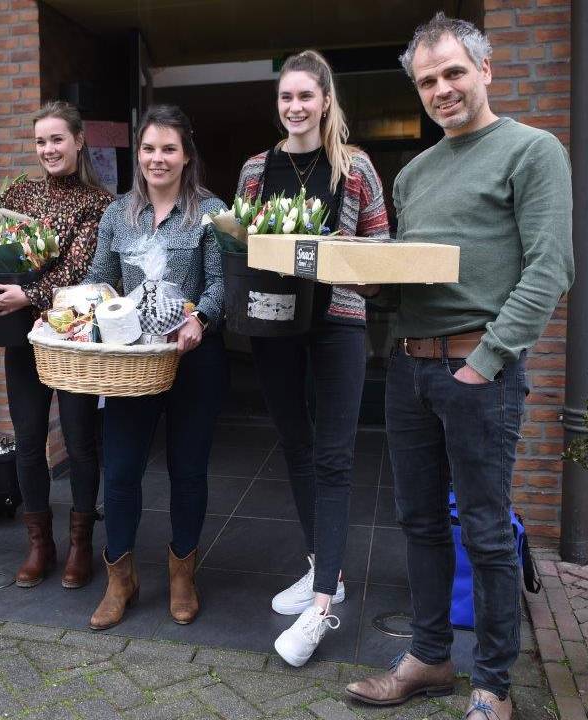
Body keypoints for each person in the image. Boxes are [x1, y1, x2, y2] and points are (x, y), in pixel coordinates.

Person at [344, 14, 573, 720]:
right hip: (408, 370)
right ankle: (431, 657)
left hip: (478, 371)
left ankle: (494, 686)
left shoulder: (531, 152)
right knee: (417, 522)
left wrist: (488, 359)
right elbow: (409, 276)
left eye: (452, 73)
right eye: (427, 81)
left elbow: (550, 268)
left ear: (485, 70)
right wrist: (357, 276)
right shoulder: (413, 172)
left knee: (483, 527)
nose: (441, 89)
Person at [234, 49, 390, 667]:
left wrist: (340, 248)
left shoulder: (354, 168)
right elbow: (241, 243)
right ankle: (322, 566)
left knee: (333, 456)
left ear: (326, 100)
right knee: (295, 447)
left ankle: (324, 604)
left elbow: (380, 248)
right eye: (285, 97)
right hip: (274, 324)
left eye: (305, 96)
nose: (295, 107)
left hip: (337, 323)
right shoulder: (254, 168)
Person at [0, 101, 113, 589]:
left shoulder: (97, 203)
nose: (49, 149)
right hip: (20, 338)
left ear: (79, 141)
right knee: (28, 440)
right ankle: (40, 542)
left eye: (58, 139)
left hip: (72, 341)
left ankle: (81, 542)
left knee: (81, 442)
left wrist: (32, 293)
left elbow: (81, 272)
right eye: (41, 141)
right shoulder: (18, 192)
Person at [85, 104, 228, 631]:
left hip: (193, 357)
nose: (157, 158)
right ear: (138, 154)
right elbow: (100, 280)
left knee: (188, 471)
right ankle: (120, 577)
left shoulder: (212, 212)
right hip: (131, 363)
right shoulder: (116, 214)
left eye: (168, 148)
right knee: (120, 471)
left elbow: (221, 282)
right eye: (148, 148)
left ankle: (182, 574)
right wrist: (87, 312)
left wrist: (202, 320)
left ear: (186, 154)